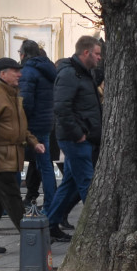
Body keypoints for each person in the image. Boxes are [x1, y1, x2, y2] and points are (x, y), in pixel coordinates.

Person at [0, 58, 45, 254]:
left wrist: (33, 141)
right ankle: (32, 239)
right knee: (13, 198)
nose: (19, 74)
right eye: (15, 71)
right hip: (0, 158)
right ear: (2, 74)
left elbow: (20, 126)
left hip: (10, 156)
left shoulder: (12, 95)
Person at [45, 35, 103, 243]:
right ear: (85, 53)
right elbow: (61, 108)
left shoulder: (84, 73)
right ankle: (98, 229)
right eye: (97, 54)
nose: (99, 58)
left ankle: (49, 225)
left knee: (69, 184)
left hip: (81, 138)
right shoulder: (70, 74)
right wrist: (78, 134)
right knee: (88, 183)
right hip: (76, 140)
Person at [18, 39, 58, 211]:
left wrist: (21, 121)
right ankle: (51, 201)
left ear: (24, 54)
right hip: (46, 122)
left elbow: (26, 101)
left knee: (15, 163)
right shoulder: (48, 69)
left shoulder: (28, 71)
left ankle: (9, 204)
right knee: (45, 164)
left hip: (32, 124)